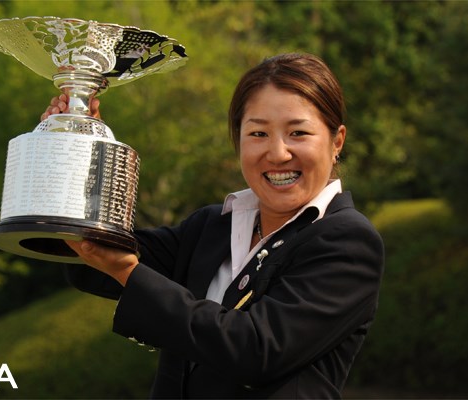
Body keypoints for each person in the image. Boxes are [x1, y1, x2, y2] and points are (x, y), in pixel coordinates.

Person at [42, 53, 384, 399]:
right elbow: (91, 260)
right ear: (238, 140)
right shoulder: (211, 226)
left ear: (336, 140)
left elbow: (256, 351)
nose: (278, 153)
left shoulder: (347, 241)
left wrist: (129, 272)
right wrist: (80, 150)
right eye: (259, 133)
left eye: (298, 132)